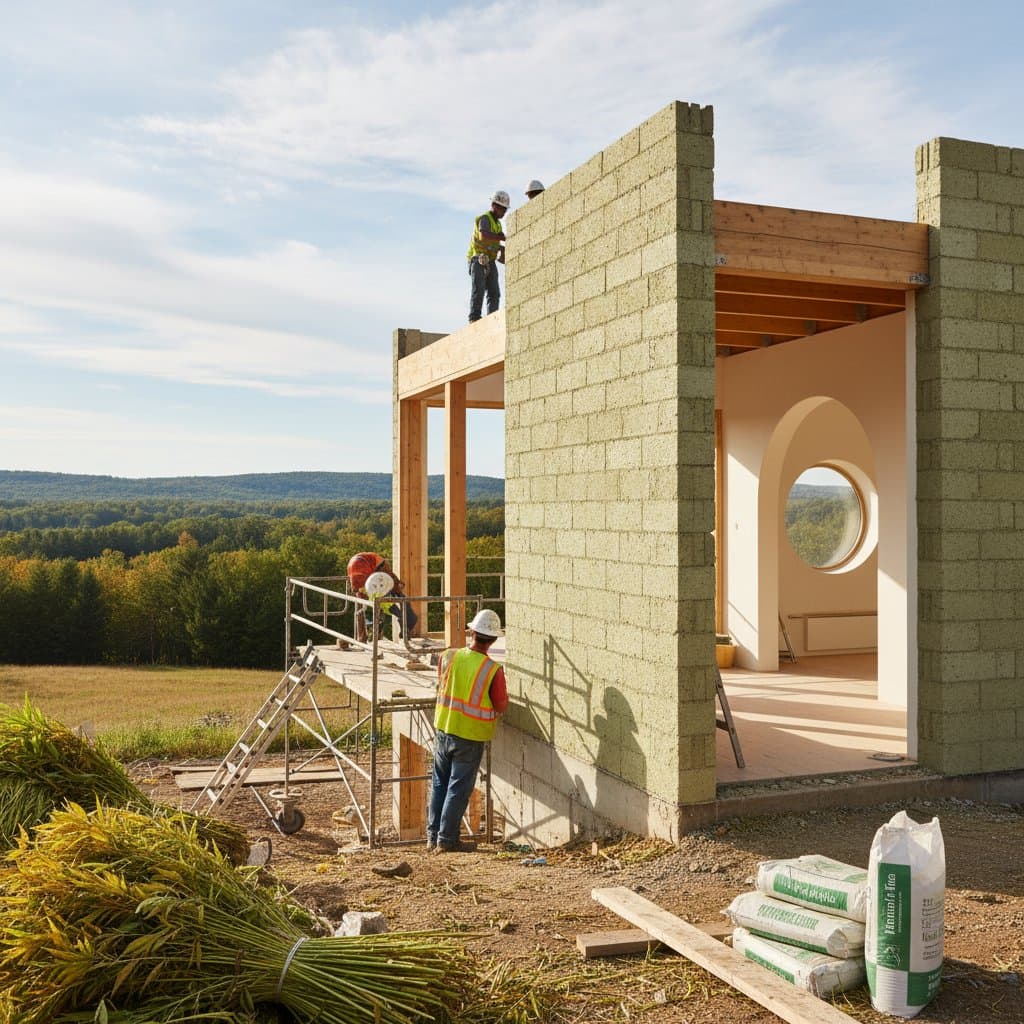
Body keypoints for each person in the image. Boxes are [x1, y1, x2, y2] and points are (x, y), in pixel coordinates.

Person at [427, 608, 508, 852]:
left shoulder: (448, 656)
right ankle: (447, 840)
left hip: (444, 728)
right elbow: (501, 704)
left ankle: (433, 837)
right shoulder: (492, 670)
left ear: (471, 631)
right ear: (493, 640)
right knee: (458, 788)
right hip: (470, 737)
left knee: (439, 784)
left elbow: (443, 683)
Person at [345, 552, 417, 643]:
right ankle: (365, 636)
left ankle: (405, 621)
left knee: (387, 596)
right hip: (368, 565)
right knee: (371, 604)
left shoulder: (362, 581)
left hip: (374, 565)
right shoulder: (361, 583)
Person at [467, 190, 510, 323]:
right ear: (494, 206)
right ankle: (474, 318)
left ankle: (492, 319)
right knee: (478, 289)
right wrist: (500, 238)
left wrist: (503, 248)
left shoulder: (497, 224)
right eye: (502, 209)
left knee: (494, 293)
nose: (503, 212)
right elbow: (483, 236)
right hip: (477, 258)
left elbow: (497, 241)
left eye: (505, 210)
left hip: (489, 261)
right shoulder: (485, 219)